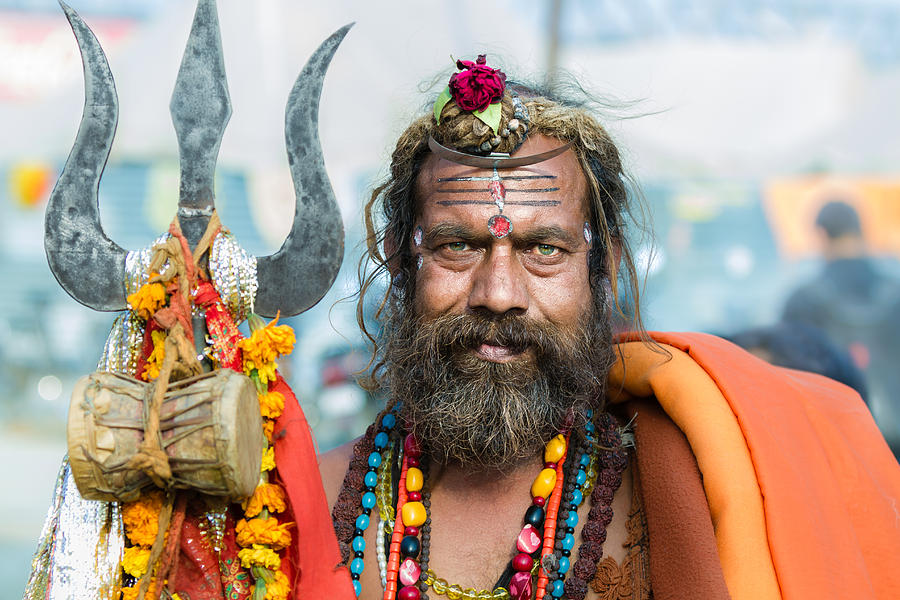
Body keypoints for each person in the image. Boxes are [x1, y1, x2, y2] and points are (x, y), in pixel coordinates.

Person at [317, 57, 900, 600]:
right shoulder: (307, 504)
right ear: (397, 258)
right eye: (457, 245)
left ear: (606, 268)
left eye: (544, 248)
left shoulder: (690, 486)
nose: (498, 295)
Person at [782, 200, 900, 458]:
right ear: (860, 231)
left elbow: (789, 379)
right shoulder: (896, 292)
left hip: (835, 445)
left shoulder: (802, 300)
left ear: (822, 235)